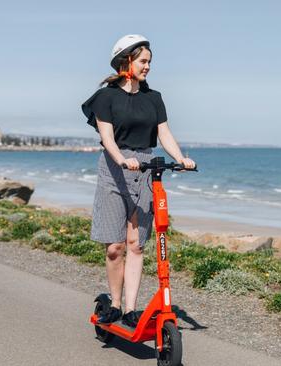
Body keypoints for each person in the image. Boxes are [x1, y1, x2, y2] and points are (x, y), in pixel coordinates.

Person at [81, 34, 196, 327]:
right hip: (115, 167)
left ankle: (131, 309)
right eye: (143, 61)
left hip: (144, 167)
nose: (148, 67)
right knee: (115, 247)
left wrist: (181, 158)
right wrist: (121, 159)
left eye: (149, 62)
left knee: (136, 244)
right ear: (126, 61)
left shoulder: (153, 98)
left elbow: (164, 133)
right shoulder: (106, 97)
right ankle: (115, 304)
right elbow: (106, 137)